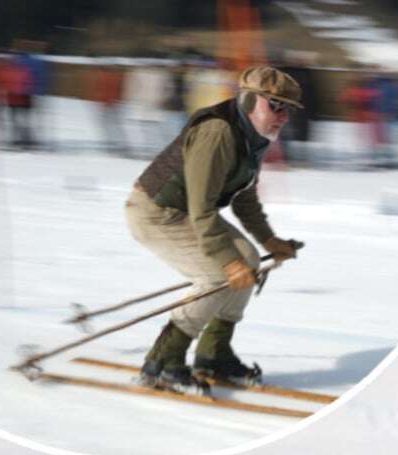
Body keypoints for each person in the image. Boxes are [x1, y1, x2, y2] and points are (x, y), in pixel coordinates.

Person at [126, 66, 303, 392]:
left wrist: (268, 239)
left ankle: (213, 354)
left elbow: (245, 198)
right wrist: (227, 261)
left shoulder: (256, 136)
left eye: (289, 109)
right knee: (217, 274)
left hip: (187, 211)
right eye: (275, 105)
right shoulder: (218, 132)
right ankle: (164, 361)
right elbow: (202, 207)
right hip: (154, 212)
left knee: (248, 259)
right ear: (250, 100)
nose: (283, 116)